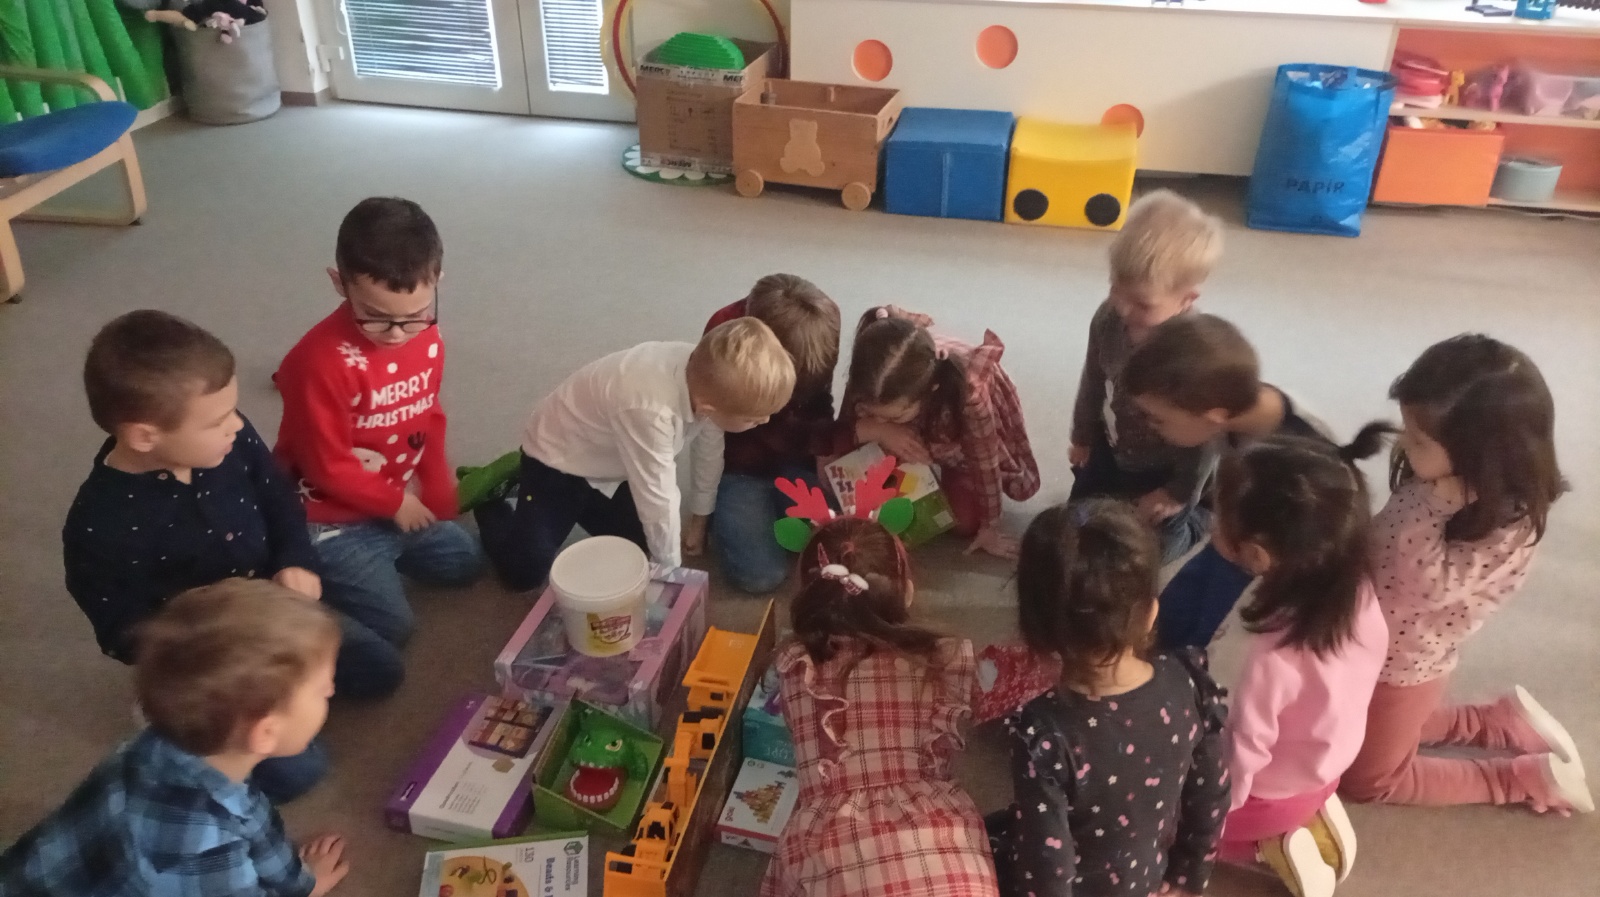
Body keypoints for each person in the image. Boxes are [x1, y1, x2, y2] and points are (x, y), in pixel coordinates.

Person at [63, 310, 401, 804]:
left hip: (276, 610)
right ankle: (166, 720)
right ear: (145, 436)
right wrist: (204, 625)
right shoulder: (102, 524)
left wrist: (295, 560)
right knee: (299, 773)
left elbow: (279, 498)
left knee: (382, 671)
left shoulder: (230, 438)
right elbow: (119, 628)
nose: (236, 425)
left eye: (232, 411)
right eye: (216, 421)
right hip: (212, 658)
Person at [1341, 335, 1590, 814]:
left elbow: (1422, 584)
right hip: (1371, 636)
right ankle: (1493, 722)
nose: (1403, 444)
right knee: (1353, 721)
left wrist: (1433, 506)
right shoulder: (1443, 479)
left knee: (1370, 779)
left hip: (1406, 664)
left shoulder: (1505, 525)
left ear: (1481, 456)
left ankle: (1519, 779)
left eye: (1418, 440)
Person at [0, 580, 351, 897]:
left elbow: (251, 814)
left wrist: (298, 883)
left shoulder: (175, 749)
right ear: (266, 733)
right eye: (323, 689)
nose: (332, 691)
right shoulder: (199, 851)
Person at [274, 197, 485, 655]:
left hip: (392, 498)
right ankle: (295, 579)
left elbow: (429, 413)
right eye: (375, 315)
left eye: (414, 315)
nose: (396, 334)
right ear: (339, 283)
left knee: (466, 563)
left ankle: (374, 561)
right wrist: (395, 503)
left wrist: (435, 483)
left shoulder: (427, 336)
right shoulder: (317, 364)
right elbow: (326, 464)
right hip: (326, 517)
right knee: (394, 628)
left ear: (437, 281)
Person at [988, 500, 1229, 897]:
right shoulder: (1189, 682)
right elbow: (1210, 794)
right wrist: (1189, 875)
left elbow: (1047, 867)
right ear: (1150, 613)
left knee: (984, 837)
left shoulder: (1043, 734)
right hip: (1147, 879)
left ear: (1037, 629)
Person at [1120, 313, 1390, 649]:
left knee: (1205, 639)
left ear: (1214, 416)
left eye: (1157, 419)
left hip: (1263, 567)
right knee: (1171, 612)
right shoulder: (1233, 405)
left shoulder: (1301, 461)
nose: (1149, 426)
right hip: (1233, 538)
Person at [761, 517, 996, 897]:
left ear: (806, 595)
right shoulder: (945, 658)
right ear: (907, 592)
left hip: (837, 843)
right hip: (951, 870)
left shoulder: (796, 667)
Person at [476, 318, 795, 591]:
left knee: (641, 552)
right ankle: (493, 502)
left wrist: (699, 519)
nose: (765, 422)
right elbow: (658, 498)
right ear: (710, 408)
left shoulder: (706, 379)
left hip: (613, 463)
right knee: (524, 573)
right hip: (556, 461)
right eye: (755, 419)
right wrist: (670, 576)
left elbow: (708, 453)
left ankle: (576, 505)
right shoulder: (650, 410)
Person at [1212, 437, 1389, 897]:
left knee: (1164, 817)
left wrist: (1212, 812)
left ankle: (1263, 844)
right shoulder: (1358, 592)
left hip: (1268, 799)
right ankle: (1308, 819)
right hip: (1329, 770)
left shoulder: (1271, 656)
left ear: (1257, 554)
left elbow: (1244, 750)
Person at [1068, 189, 1224, 563]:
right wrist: (1083, 432)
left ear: (1186, 299)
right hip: (1113, 445)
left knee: (1148, 553)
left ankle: (1202, 515)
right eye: (1115, 289)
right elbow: (1093, 377)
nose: (1122, 308)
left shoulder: (1197, 355)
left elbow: (1206, 438)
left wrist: (1178, 492)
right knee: (1076, 526)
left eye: (1142, 303)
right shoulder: (1107, 318)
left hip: (1169, 466)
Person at [833, 305, 1038, 559]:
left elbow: (986, 463)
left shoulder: (969, 397)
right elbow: (838, 433)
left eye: (895, 417)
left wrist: (990, 527)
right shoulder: (870, 378)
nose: (882, 420)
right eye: (874, 413)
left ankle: (943, 468)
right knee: (850, 460)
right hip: (915, 412)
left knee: (965, 522)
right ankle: (900, 439)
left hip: (956, 436)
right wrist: (878, 429)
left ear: (931, 390)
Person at [704, 274, 840, 593]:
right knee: (761, 576)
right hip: (741, 466)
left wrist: (824, 452)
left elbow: (821, 399)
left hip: (796, 454)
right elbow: (709, 433)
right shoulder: (724, 333)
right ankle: (731, 514)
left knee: (838, 539)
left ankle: (772, 508)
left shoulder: (823, 321)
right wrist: (701, 510)